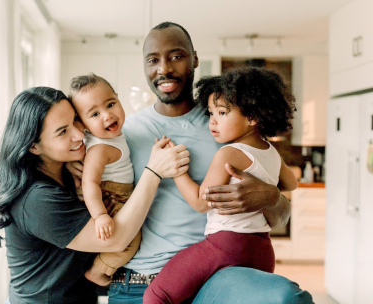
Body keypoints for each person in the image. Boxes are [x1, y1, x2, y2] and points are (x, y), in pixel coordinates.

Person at [78, 22, 312, 303]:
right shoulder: (121, 135)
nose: (164, 69)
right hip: (134, 285)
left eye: (176, 56)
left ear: (195, 59)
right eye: (153, 60)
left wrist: (272, 198)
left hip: (212, 284)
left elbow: (281, 211)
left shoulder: (227, 126)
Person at [0, 87, 190, 303]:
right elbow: (116, 240)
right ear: (34, 147)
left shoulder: (69, 170)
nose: (79, 134)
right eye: (62, 132)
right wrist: (154, 172)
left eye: (76, 120)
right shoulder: (37, 199)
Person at [143, 68, 299, 303]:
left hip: (225, 246)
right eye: (211, 112)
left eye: (223, 112)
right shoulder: (271, 152)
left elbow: (199, 202)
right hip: (263, 252)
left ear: (252, 116)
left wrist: (175, 169)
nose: (213, 120)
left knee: (156, 294)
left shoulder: (229, 154)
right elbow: (292, 183)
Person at [69, 73, 141, 286]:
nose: (107, 115)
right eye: (94, 114)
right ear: (81, 123)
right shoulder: (99, 148)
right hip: (111, 196)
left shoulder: (112, 136)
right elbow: (89, 182)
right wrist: (100, 215)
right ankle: (98, 271)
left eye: (111, 104)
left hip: (120, 193)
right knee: (129, 240)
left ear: (118, 98)